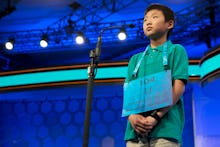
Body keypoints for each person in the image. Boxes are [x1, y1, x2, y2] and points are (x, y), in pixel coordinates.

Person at [123, 3, 189, 147]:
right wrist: (132, 116)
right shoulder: (135, 59)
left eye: (154, 17)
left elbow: (178, 87)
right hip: (135, 132)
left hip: (165, 130)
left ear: (169, 24)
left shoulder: (176, 51)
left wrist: (155, 117)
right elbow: (129, 93)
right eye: (145, 19)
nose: (148, 22)